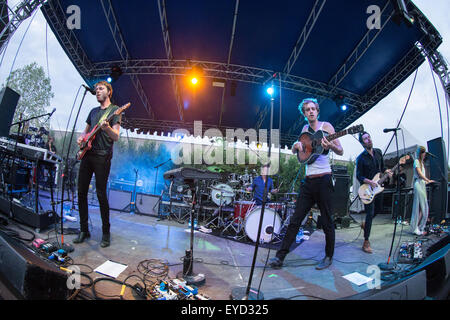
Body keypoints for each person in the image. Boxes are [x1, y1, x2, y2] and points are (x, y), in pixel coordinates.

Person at [268, 97, 343, 270]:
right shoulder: (304, 129)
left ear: (317, 111)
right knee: (295, 220)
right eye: (307, 109)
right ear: (304, 114)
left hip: (324, 179)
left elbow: (341, 150)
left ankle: (328, 256)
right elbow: (300, 149)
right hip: (308, 181)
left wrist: (331, 145)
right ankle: (280, 257)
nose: (310, 111)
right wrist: (296, 146)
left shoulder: (327, 127)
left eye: (313, 109)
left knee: (327, 221)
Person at [73, 81, 121, 248]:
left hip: (102, 157)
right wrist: (81, 139)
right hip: (87, 155)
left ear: (109, 91)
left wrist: (106, 128)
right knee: (81, 192)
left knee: (101, 194)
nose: (97, 91)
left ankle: (106, 233)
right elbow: (85, 132)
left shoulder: (115, 110)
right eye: (96, 89)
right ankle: (84, 229)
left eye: (101, 89)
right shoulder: (93, 112)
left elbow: (115, 136)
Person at [355, 131, 392, 254]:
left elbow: (382, 168)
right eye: (365, 138)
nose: (368, 139)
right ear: (362, 143)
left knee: (378, 209)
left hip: (379, 187)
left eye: (369, 137)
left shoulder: (378, 152)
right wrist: (369, 182)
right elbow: (359, 176)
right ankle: (366, 241)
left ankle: (366, 224)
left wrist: (388, 171)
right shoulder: (360, 158)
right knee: (370, 213)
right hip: (367, 189)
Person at [410, 146, 435, 236]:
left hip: (422, 184)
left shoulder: (422, 163)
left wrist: (427, 181)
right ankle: (416, 227)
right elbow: (419, 174)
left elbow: (422, 176)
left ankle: (419, 227)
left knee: (422, 207)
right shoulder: (416, 162)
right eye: (424, 153)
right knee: (419, 206)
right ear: (421, 153)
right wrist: (428, 180)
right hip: (418, 184)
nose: (425, 155)